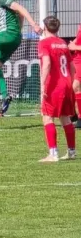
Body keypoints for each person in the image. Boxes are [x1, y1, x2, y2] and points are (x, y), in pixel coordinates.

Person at [38, 16, 76, 163]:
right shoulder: (63, 43)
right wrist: (71, 83)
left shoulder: (44, 43)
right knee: (65, 117)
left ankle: (53, 153)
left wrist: (43, 84)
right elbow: (72, 67)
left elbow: (46, 64)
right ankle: (71, 152)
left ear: (45, 28)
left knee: (47, 116)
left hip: (54, 85)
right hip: (66, 84)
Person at [67, 24, 81, 128]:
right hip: (75, 60)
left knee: (76, 87)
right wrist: (72, 44)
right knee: (72, 87)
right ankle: (74, 115)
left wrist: (75, 46)